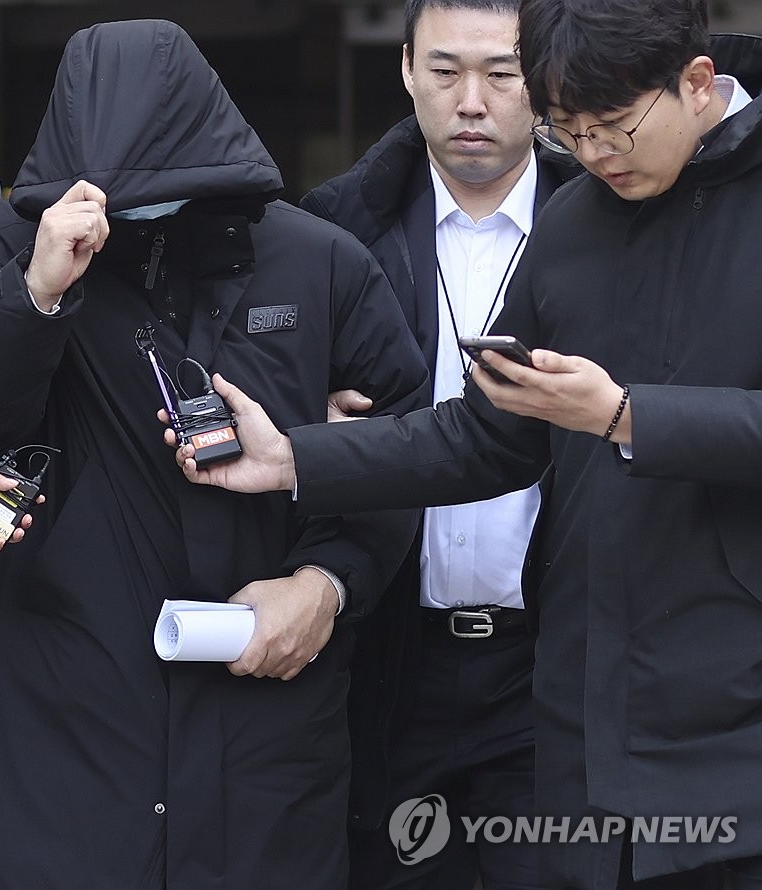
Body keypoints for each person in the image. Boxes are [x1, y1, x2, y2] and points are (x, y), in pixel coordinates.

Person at [172, 1, 762, 886]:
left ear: (698, 82)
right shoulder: (578, 220)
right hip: (583, 712)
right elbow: (487, 438)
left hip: (737, 714)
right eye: (571, 131)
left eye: (615, 126)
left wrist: (626, 416)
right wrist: (295, 458)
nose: (596, 153)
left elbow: (616, 418)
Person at [0, 19, 430, 888]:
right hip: (59, 706)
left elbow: (406, 439)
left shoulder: (316, 261)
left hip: (264, 705)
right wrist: (36, 293)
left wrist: (327, 582)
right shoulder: (6, 249)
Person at [299, 1, 573, 885]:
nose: (472, 101)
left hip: (554, 664)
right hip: (387, 657)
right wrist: (309, 416)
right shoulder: (333, 230)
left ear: (544, 79)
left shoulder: (607, 221)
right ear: (407, 69)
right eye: (447, 71)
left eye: (501, 74)